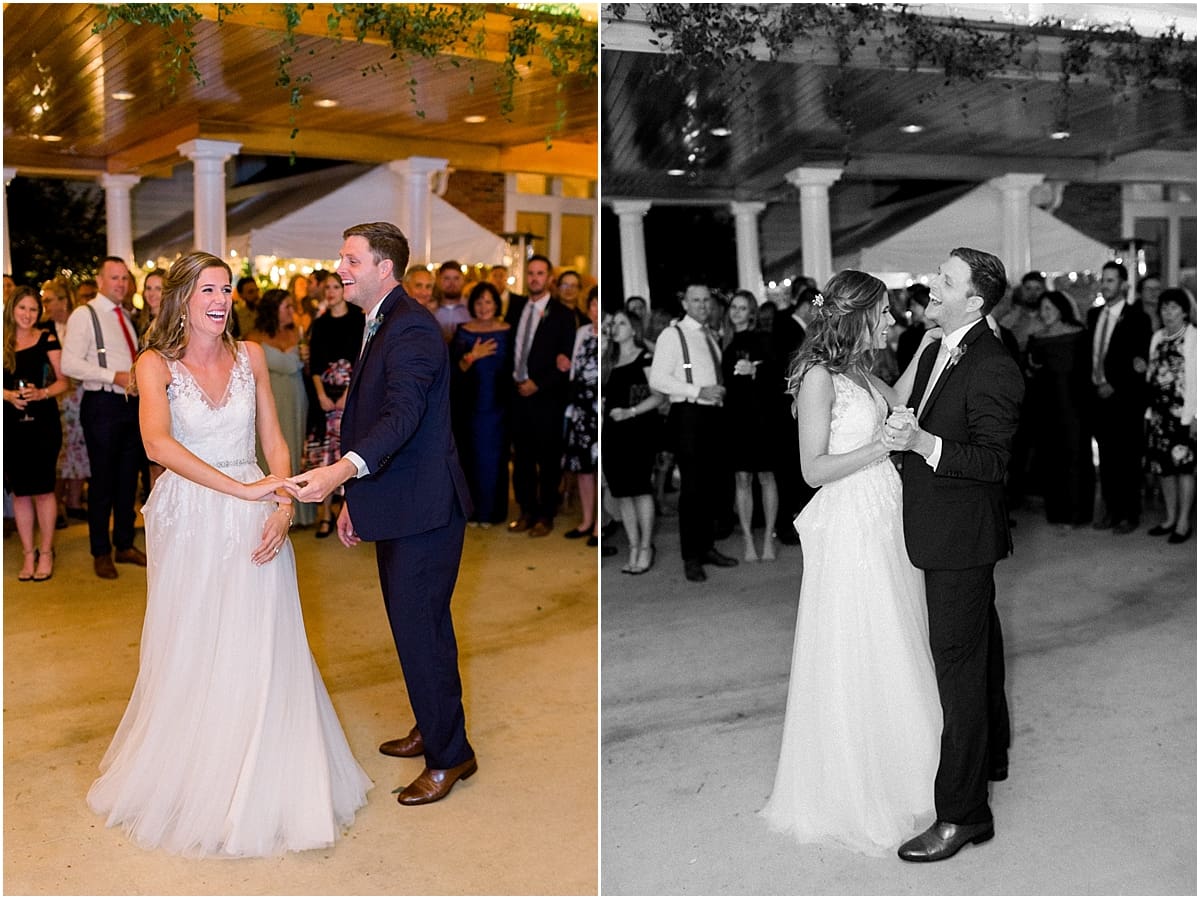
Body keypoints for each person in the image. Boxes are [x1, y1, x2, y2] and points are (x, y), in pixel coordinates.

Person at [87, 251, 370, 856]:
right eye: (209, 289)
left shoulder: (252, 358)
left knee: (262, 642)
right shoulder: (152, 363)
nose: (221, 300)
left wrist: (280, 503)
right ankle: (195, 776)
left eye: (228, 289)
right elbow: (156, 443)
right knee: (194, 641)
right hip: (190, 515)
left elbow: (274, 439)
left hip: (256, 513)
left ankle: (264, 775)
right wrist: (243, 488)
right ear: (183, 297)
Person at [292, 221, 477, 806]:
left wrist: (339, 474)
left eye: (350, 260)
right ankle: (433, 722)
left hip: (425, 510)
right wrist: (357, 500)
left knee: (421, 629)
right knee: (415, 628)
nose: (339, 269)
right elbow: (376, 421)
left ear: (383, 268)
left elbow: (399, 418)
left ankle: (451, 757)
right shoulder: (381, 320)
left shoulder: (413, 329)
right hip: (398, 502)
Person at [761, 270, 941, 855]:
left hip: (884, 513)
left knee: (898, 634)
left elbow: (904, 397)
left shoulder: (860, 370)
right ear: (859, 315)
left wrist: (933, 341)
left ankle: (909, 763)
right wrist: (881, 447)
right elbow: (812, 469)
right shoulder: (817, 377)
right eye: (884, 313)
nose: (892, 321)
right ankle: (858, 782)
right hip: (850, 521)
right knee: (861, 639)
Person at [883, 247, 1024, 862]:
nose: (932, 286)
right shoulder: (943, 344)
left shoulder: (994, 365)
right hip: (945, 530)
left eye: (946, 281)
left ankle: (964, 815)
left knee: (958, 673)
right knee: (980, 649)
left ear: (975, 300)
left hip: (961, 540)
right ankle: (992, 756)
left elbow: (994, 462)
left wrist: (922, 442)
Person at [60, 256, 148, 580]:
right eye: (115, 278)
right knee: (103, 481)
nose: (121, 284)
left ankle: (124, 543)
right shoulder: (85, 315)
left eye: (125, 278)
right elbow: (69, 365)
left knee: (128, 479)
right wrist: (114, 376)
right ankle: (101, 551)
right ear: (100, 281)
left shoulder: (125, 316)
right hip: (101, 404)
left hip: (129, 404)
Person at [648, 284, 739, 582]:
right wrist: (698, 390)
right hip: (689, 416)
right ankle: (691, 556)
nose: (702, 305)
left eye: (706, 301)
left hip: (713, 416)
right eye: (695, 301)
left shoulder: (709, 335)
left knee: (712, 485)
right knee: (692, 489)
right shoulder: (672, 335)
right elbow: (659, 379)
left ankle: (707, 546)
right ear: (685, 303)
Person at [504, 254, 578, 537]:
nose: (535, 278)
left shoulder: (562, 314)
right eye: (531, 273)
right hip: (517, 395)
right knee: (521, 459)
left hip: (546, 398)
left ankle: (546, 515)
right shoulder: (517, 308)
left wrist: (539, 383)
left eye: (540, 273)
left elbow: (566, 361)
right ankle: (525, 510)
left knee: (547, 460)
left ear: (549, 279)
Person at [4, 287, 70, 581]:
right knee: (20, 492)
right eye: (23, 309)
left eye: (33, 309)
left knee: (43, 490)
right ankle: (28, 554)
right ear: (12, 309)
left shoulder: (48, 338)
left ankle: (45, 552)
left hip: (43, 424)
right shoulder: (2, 341)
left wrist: (42, 392)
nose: (28, 315)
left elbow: (63, 382)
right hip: (11, 424)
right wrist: (7, 395)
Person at [1087, 261, 1153, 534]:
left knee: (1127, 459)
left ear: (1124, 284)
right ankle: (1112, 511)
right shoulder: (1093, 315)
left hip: (1124, 399)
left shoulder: (1138, 318)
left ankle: (1129, 514)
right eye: (1103, 280)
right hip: (1097, 398)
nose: (1105, 285)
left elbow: (1140, 361)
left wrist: (1113, 384)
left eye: (1111, 280)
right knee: (1107, 458)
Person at [246, 289, 316, 527]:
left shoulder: (298, 333)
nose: (291, 312)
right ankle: (268, 507)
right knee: (269, 450)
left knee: (295, 448)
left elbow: (307, 371)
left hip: (297, 397)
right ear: (273, 309)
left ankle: (299, 510)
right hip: (270, 399)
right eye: (286, 307)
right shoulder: (254, 338)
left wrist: (307, 360)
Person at [1026, 291, 1094, 527]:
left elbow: (1087, 373)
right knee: (1051, 459)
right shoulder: (1036, 338)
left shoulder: (1079, 335)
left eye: (1049, 308)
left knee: (1076, 457)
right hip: (1046, 407)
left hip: (1075, 406)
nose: (1044, 314)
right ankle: (1057, 512)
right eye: (1042, 309)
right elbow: (1031, 373)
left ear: (1061, 308)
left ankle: (1078, 513)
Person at [305, 272, 365, 537]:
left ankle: (351, 512)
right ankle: (326, 514)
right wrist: (320, 394)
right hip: (325, 396)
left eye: (335, 287)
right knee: (325, 453)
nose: (330, 292)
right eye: (327, 287)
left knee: (350, 452)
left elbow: (361, 360)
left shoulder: (358, 320)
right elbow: (315, 364)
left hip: (353, 393)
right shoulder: (319, 324)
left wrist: (348, 393)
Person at [722, 290, 779, 562]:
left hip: (761, 417)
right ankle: (747, 539)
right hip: (735, 419)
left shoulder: (763, 339)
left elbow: (779, 374)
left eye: (742, 308)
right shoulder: (724, 341)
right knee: (741, 478)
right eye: (733, 307)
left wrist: (755, 370)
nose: (736, 312)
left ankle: (768, 536)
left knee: (766, 476)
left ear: (751, 313)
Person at [449, 281, 512, 526]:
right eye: (479, 302)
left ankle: (492, 513)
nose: (484, 307)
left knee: (495, 460)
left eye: (488, 301)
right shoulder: (463, 330)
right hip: (469, 408)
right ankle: (471, 511)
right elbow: (453, 370)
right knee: (469, 457)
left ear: (496, 304)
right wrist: (471, 357)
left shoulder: (508, 330)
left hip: (500, 408)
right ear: (472, 305)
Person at [1144, 287, 1196, 543]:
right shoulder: (1157, 337)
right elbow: (1152, 376)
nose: (1168, 312)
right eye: (1164, 307)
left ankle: (1184, 522)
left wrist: (1195, 417)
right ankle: (1170, 517)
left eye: (1174, 307)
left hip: (1183, 415)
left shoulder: (1193, 338)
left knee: (1184, 469)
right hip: (1159, 416)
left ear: (1185, 311)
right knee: (1163, 470)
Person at [41, 278, 88, 523]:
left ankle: (74, 501)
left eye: (48, 300)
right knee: (58, 450)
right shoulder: (45, 328)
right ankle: (56, 504)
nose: (44, 304)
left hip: (79, 395)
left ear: (63, 299)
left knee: (79, 448)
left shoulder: (79, 323)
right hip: (55, 396)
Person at [561, 287, 600, 541]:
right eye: (593, 305)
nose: (596, 311)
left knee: (600, 470)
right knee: (584, 469)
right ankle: (586, 520)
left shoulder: (613, 335)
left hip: (600, 410)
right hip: (581, 411)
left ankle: (599, 524)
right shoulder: (582, 333)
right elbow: (574, 369)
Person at [434, 260, 470, 342]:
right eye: (446, 278)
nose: (452, 283)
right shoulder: (430, 309)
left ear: (463, 280)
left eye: (456, 278)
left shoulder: (473, 308)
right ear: (438, 280)